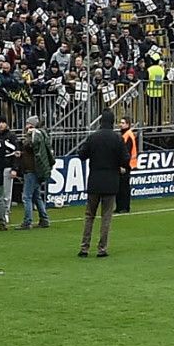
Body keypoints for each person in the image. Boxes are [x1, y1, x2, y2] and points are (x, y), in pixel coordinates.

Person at [75, 111, 129, 259]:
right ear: (112, 122)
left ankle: (84, 248)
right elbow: (125, 159)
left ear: (100, 121)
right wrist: (118, 165)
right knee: (106, 217)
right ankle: (102, 249)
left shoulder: (93, 137)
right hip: (111, 182)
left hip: (94, 181)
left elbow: (81, 155)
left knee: (89, 216)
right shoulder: (117, 139)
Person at [19, 115, 53, 230]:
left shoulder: (34, 135)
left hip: (32, 170)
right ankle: (44, 219)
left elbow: (30, 146)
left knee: (26, 196)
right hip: (37, 169)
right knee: (36, 196)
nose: (25, 127)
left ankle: (28, 221)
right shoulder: (42, 134)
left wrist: (28, 136)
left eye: (27, 124)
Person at [117, 115, 139, 215]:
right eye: (120, 123)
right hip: (124, 164)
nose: (120, 125)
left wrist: (123, 166)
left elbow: (127, 153)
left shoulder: (128, 135)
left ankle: (125, 207)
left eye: (123, 123)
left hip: (127, 165)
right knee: (120, 186)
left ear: (128, 124)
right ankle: (119, 206)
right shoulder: (124, 134)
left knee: (124, 187)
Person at [145, 52, 166, 126]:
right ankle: (159, 126)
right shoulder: (161, 69)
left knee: (151, 111)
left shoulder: (149, 69)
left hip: (150, 92)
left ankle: (150, 126)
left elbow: (146, 79)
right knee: (159, 111)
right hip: (159, 92)